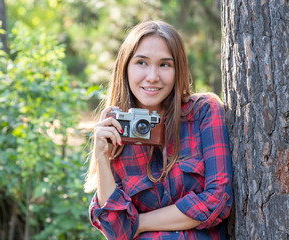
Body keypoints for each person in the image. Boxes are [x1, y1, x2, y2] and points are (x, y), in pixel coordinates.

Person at [84, 20, 233, 240]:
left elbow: (218, 201)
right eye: (141, 62)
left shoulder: (202, 112)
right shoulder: (116, 129)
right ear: (125, 67)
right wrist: (102, 157)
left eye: (165, 64)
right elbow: (116, 230)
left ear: (178, 69)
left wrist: (139, 223)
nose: (153, 76)